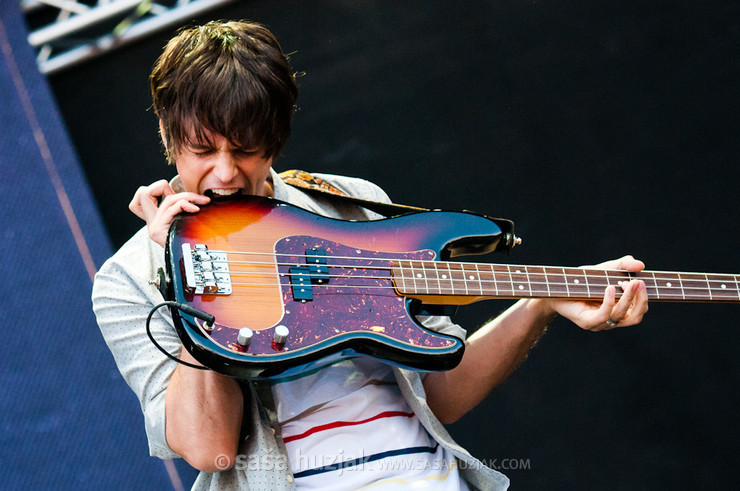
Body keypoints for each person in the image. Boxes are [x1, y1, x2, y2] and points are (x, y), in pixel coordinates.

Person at [92, 20, 648, 490]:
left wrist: (540, 301)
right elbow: (211, 449)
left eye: (245, 149)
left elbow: (438, 395)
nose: (225, 171)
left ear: (277, 140)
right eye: (202, 149)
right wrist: (181, 274)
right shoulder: (128, 281)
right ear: (167, 135)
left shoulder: (351, 205)